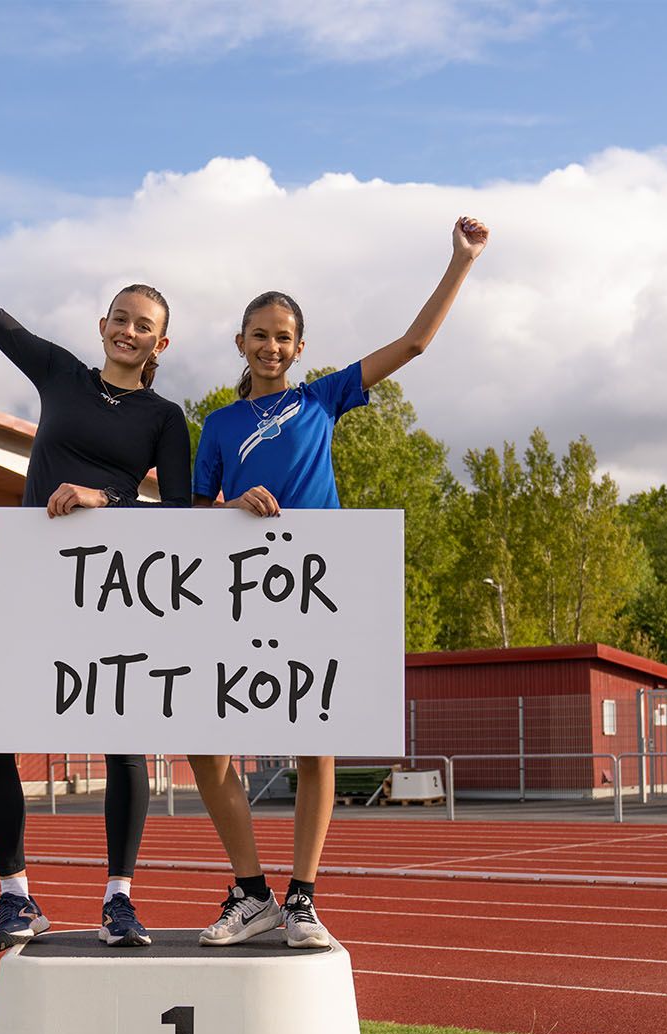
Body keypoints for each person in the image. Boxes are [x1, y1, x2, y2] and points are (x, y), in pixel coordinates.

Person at [190, 216, 490, 948]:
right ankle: (251, 890)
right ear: (241, 344)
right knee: (204, 744)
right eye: (258, 334)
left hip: (313, 592)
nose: (270, 345)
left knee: (313, 746)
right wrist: (231, 508)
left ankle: (301, 899)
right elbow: (197, 518)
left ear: (299, 347)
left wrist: (460, 262)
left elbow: (415, 343)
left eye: (283, 335)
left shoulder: (321, 399)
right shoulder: (219, 424)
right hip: (237, 597)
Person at [0, 157, 192, 951]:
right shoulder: (60, 376)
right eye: (118, 316)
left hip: (114, 589)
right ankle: (15, 896)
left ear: (160, 341)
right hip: (40, 582)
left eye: (143, 323)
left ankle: (119, 898)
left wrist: (107, 500)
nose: (127, 328)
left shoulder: (166, 419)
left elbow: (175, 515)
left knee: (122, 741)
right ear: (101, 325)